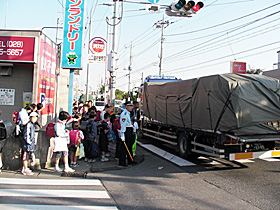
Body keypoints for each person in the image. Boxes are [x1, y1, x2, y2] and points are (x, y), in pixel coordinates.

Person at [119, 101, 137, 166]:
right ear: (126, 106)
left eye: (132, 106)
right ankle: (122, 162)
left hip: (130, 129)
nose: (132, 107)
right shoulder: (124, 114)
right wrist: (122, 134)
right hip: (126, 130)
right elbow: (123, 125)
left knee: (129, 146)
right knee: (124, 147)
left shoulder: (129, 113)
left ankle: (130, 160)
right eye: (130, 106)